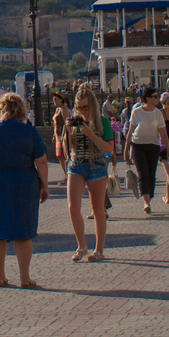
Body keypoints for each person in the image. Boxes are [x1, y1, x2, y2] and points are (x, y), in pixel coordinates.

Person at [0, 92, 48, 288]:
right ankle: (24, 277)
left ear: (2, 110)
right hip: (24, 182)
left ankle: (0, 276)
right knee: (22, 232)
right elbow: (41, 160)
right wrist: (45, 184)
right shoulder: (29, 132)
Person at [59, 83, 115, 261]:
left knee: (98, 209)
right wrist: (67, 130)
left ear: (92, 106)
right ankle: (81, 245)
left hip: (96, 165)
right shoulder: (74, 122)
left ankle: (99, 250)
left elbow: (109, 149)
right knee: (72, 207)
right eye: (79, 107)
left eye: (86, 107)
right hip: (76, 164)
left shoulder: (102, 122)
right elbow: (67, 148)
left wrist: (91, 133)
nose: (83, 111)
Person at [125, 88, 169, 214]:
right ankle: (146, 202)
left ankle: (148, 196)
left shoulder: (158, 113)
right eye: (155, 97)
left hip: (153, 146)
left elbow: (163, 133)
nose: (157, 99)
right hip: (138, 145)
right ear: (148, 99)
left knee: (151, 174)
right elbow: (130, 131)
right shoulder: (137, 112)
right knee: (143, 173)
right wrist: (126, 149)